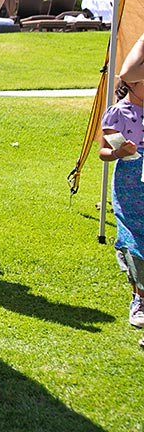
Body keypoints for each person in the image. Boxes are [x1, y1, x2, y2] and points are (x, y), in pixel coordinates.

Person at [98, 77, 144, 342]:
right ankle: (139, 299)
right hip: (130, 180)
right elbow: (104, 152)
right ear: (133, 84)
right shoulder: (117, 112)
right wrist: (119, 152)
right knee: (135, 236)